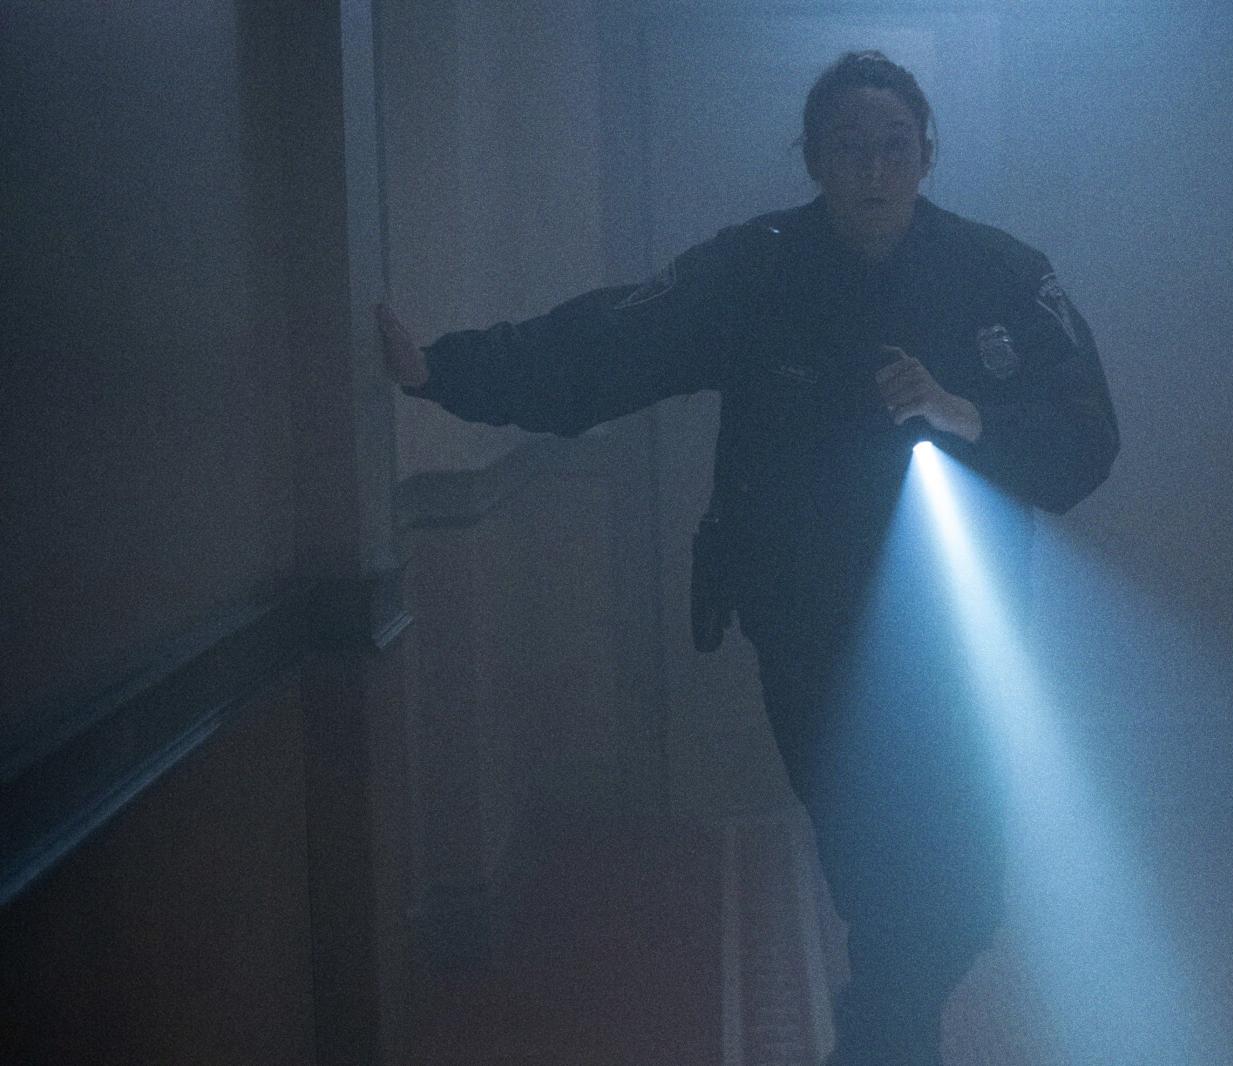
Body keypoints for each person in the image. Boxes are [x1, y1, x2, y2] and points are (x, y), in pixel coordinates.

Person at [379, 50, 1118, 1066]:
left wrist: (967, 414)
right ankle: (887, 1047)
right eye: (848, 146)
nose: (873, 168)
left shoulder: (1002, 273)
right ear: (812, 157)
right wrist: (445, 370)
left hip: (960, 625)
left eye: (893, 145)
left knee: (967, 890)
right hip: (809, 622)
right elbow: (611, 343)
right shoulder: (757, 269)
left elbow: (1087, 435)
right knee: (874, 871)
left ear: (927, 153)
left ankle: (877, 1032)